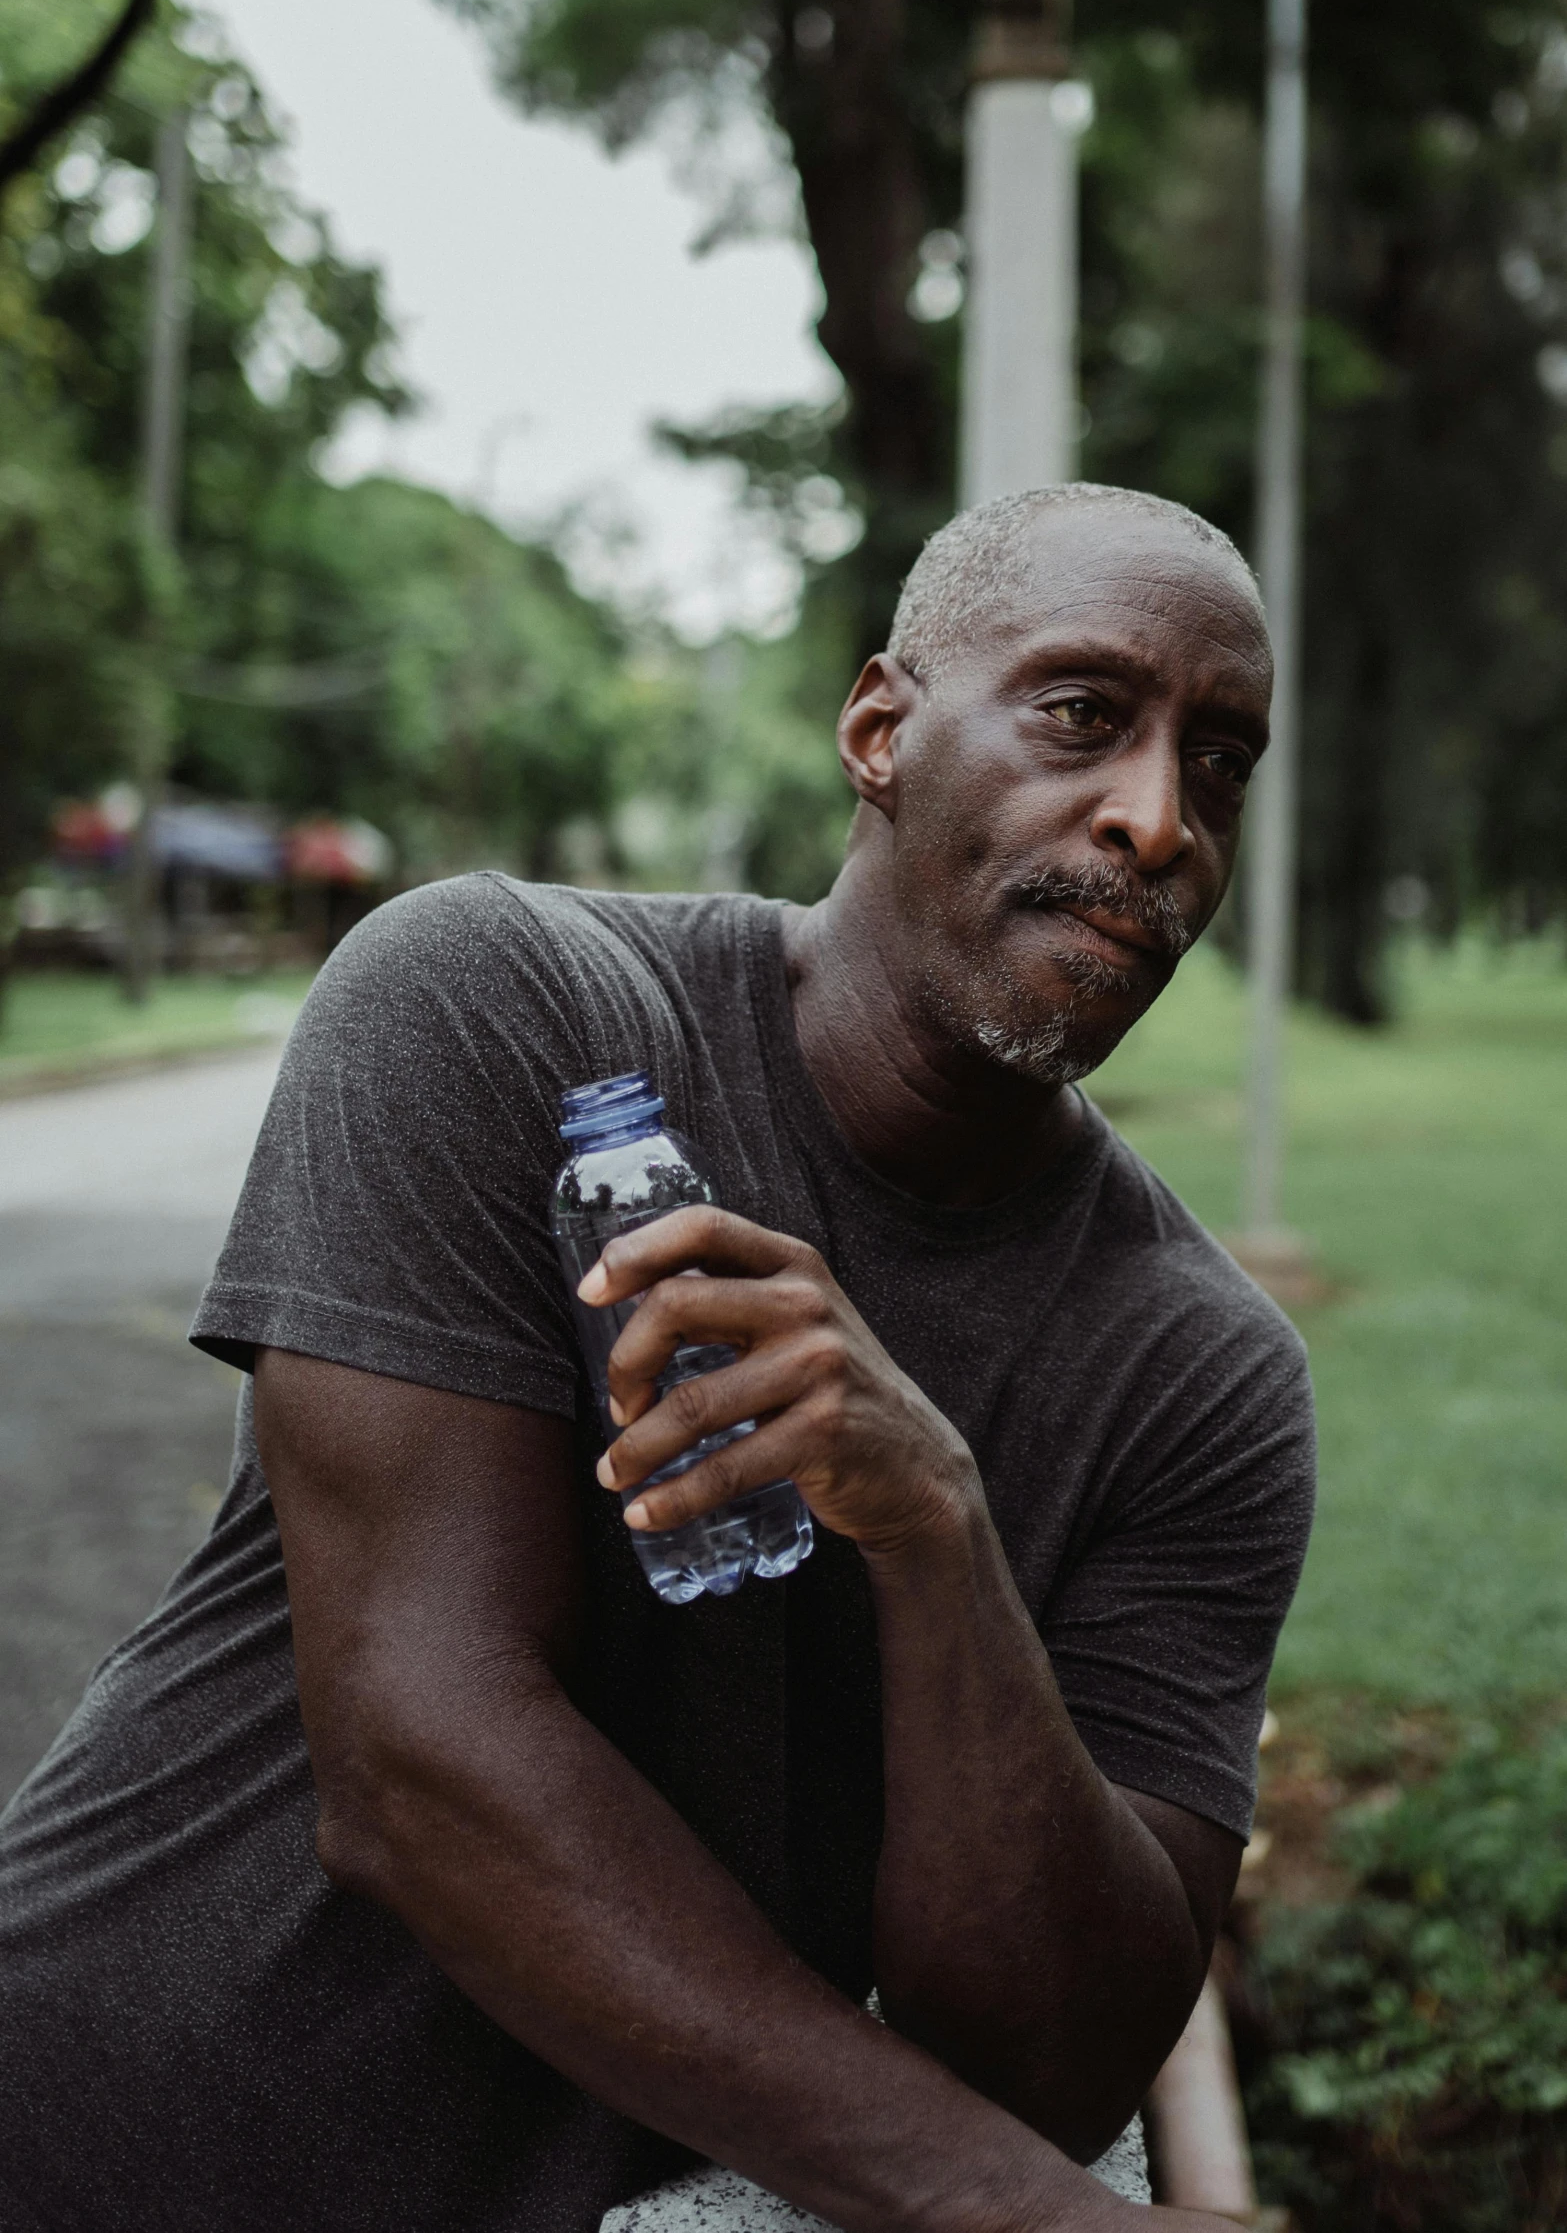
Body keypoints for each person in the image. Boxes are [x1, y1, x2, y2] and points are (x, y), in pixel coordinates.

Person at [0, 484, 1314, 2233]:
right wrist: (1031, 2217)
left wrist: (937, 1537)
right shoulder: (502, 1003)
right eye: (1083, 713)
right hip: (129, 2137)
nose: (1157, 819)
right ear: (879, 728)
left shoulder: (1200, 1372)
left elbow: (1057, 2056)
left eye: (1218, 762)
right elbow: (417, 1762)